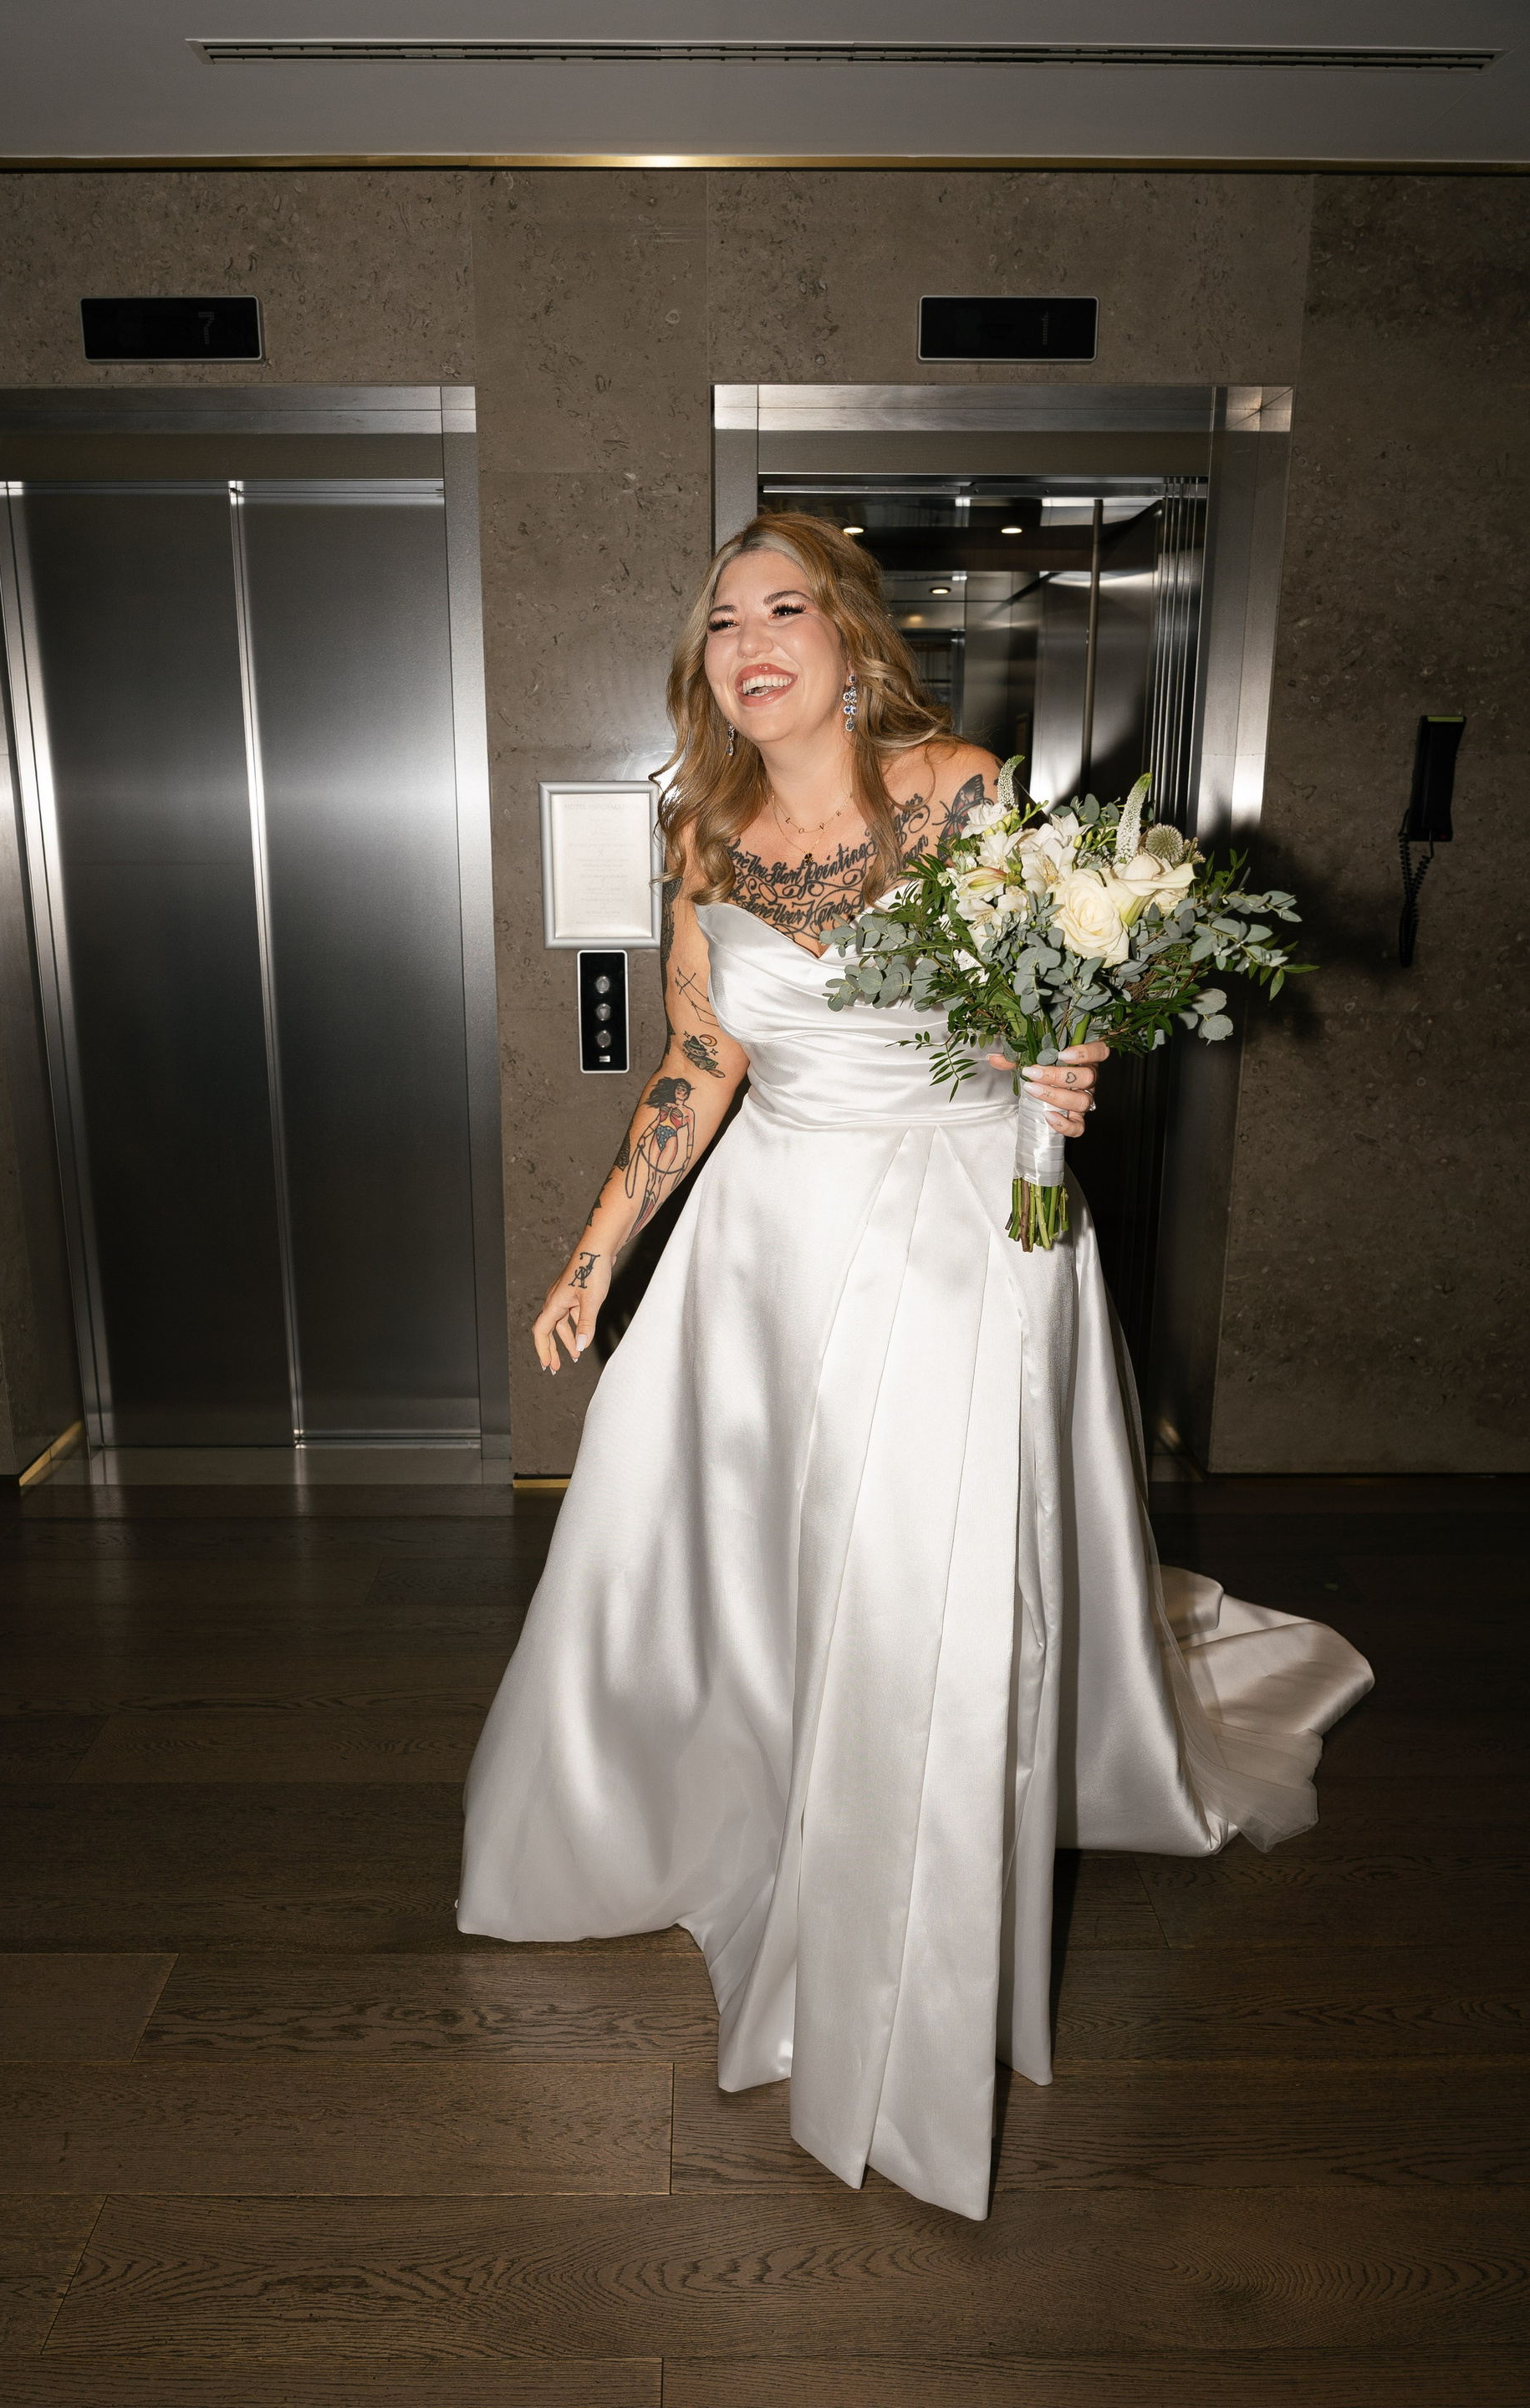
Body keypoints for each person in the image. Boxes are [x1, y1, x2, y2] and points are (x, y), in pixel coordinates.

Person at [456, 513, 1372, 2221]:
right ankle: (775, 1808)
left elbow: (1038, 1004)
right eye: (723, 619)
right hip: (768, 1246)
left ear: (849, 638)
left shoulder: (956, 791)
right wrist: (596, 1254)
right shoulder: (700, 831)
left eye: (783, 607)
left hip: (955, 1237)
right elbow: (701, 1056)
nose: (751, 641)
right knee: (786, 1569)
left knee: (913, 1580)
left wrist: (1068, 1060)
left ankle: (895, 1954)